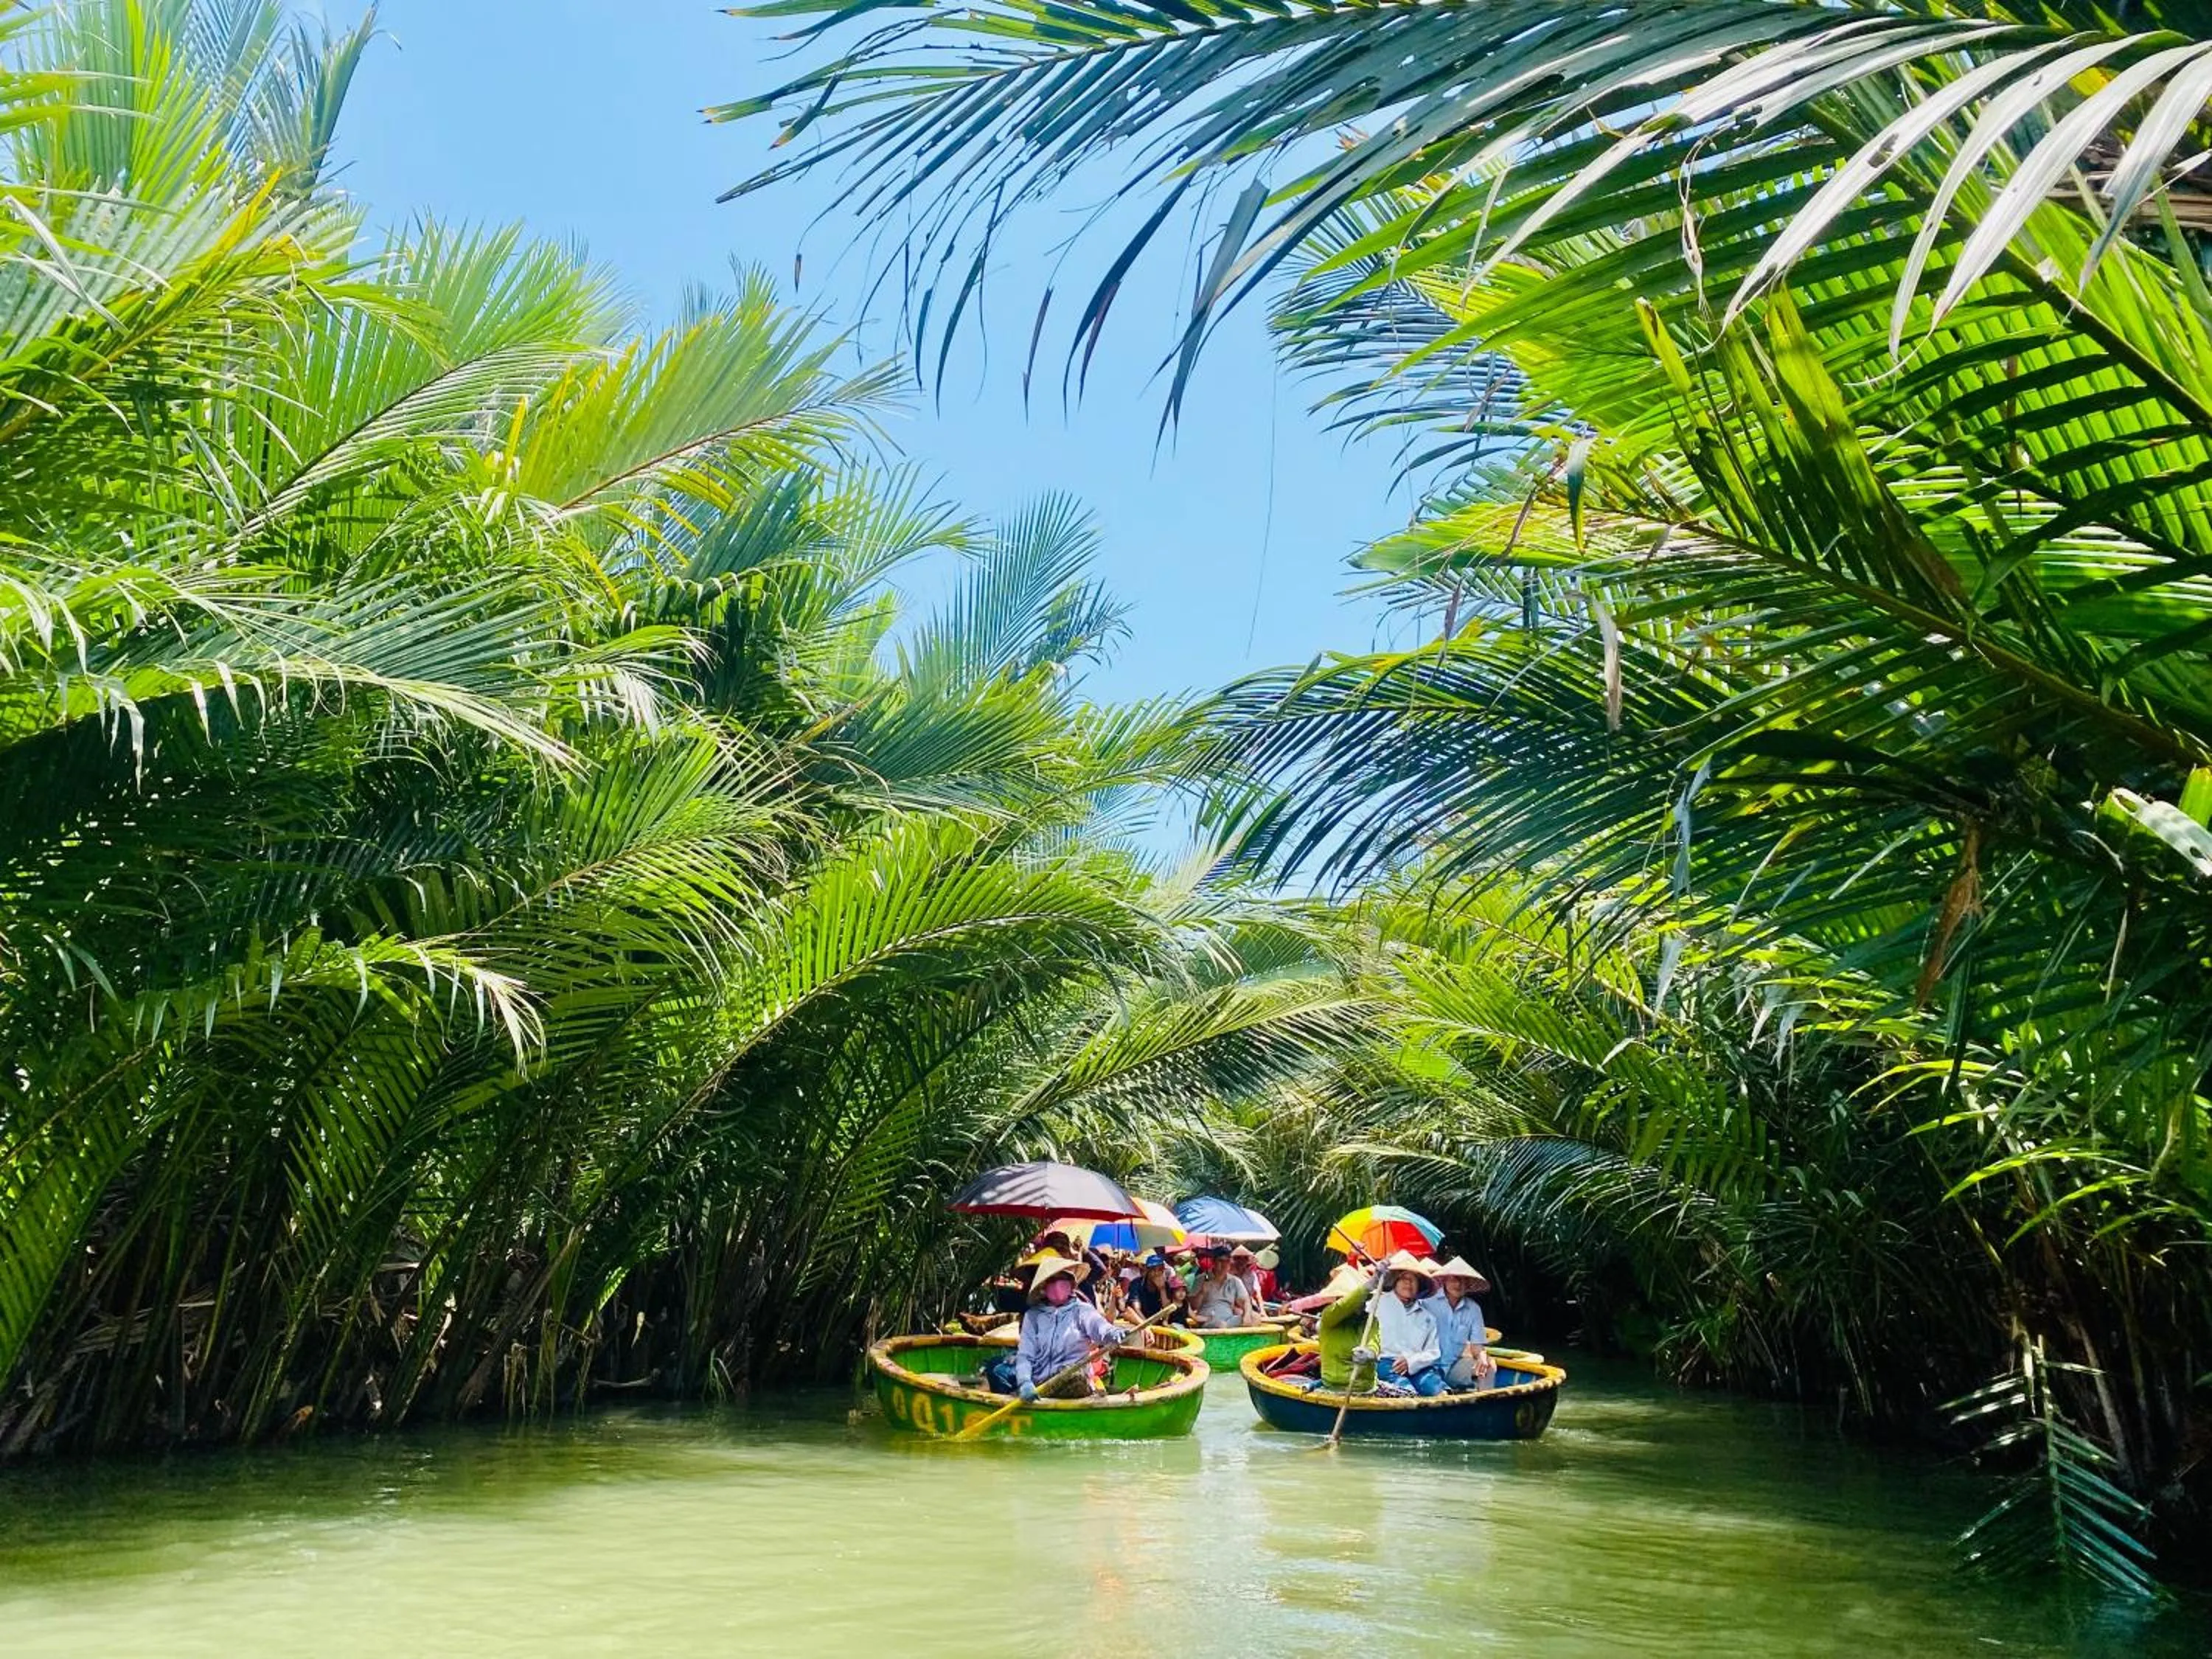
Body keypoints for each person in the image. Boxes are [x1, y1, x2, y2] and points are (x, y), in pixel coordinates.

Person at [1015, 1253, 1130, 1401]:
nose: (1057, 1285)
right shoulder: (1033, 1316)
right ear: (1044, 1287)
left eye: (1062, 1279)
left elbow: (1100, 1327)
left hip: (1076, 1384)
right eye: (1052, 1281)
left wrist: (1113, 1333)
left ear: (1072, 1285)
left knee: (1074, 1379)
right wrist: (1025, 1381)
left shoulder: (1082, 1310)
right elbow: (1025, 1354)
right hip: (1041, 1387)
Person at [1367, 1251, 1448, 1397]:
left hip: (1418, 1366)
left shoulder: (1427, 1317)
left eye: (1413, 1279)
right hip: (1385, 1363)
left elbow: (1434, 1352)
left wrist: (1411, 1361)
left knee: (1439, 1392)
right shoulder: (1376, 1304)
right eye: (1404, 1278)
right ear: (1395, 1282)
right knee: (1407, 1393)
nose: (1408, 1283)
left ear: (1419, 1285)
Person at [1295, 1262, 1377, 1391]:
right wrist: (1368, 1286)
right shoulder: (1329, 1317)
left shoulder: (1370, 1320)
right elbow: (1344, 1306)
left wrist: (1370, 1353)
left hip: (1366, 1387)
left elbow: (1374, 1343)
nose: (1361, 1304)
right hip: (1335, 1386)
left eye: (1364, 1300)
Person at [1425, 1256, 1497, 1390]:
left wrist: (1482, 1357)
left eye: (1463, 1280)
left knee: (1489, 1365)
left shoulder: (1473, 1309)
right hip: (1426, 1367)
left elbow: (1477, 1346)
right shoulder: (1427, 1303)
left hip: (1453, 1367)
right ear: (1445, 1280)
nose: (1458, 1284)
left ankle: (1485, 1401)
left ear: (1469, 1284)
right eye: (1454, 1279)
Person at [1186, 1242, 1255, 1328]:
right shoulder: (1201, 1279)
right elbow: (1193, 1306)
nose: (1224, 1265)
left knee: (1255, 1317)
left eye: (1227, 1261)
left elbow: (1245, 1301)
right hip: (1209, 1320)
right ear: (1214, 1262)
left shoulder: (1235, 1281)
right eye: (1221, 1261)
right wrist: (1202, 1293)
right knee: (1220, 1324)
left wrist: (1247, 1315)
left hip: (1229, 1320)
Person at [1127, 1252, 1187, 1323]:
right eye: (1154, 1270)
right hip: (1138, 1319)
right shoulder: (1136, 1283)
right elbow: (1136, 1308)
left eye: (1160, 1270)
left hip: (1155, 1320)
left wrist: (1162, 1289)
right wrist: (1146, 1324)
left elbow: (1167, 1310)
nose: (1157, 1273)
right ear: (1147, 1270)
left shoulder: (1166, 1285)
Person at [1231, 1245, 1268, 1314]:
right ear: (1235, 1261)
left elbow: (1258, 1294)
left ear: (1247, 1261)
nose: (1241, 1262)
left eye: (1244, 1259)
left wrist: (1262, 1310)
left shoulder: (1251, 1275)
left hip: (1247, 1304)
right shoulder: (1229, 1275)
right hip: (1232, 1305)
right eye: (1238, 1259)